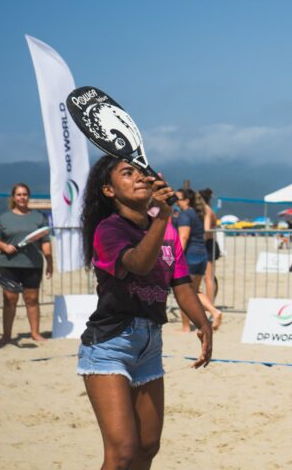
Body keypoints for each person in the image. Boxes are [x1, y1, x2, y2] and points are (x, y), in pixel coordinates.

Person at [76, 156, 212, 468]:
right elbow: (139, 263)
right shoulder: (108, 230)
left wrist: (203, 323)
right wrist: (163, 217)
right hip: (109, 344)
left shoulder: (165, 231)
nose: (139, 178)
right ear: (109, 191)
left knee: (147, 447)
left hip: (150, 345)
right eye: (128, 173)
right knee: (122, 453)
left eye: (141, 172)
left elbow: (181, 285)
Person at [0, 183, 52, 344]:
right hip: (9, 265)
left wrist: (49, 261)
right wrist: (4, 246)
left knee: (32, 299)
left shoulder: (38, 217)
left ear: (28, 196)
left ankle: (35, 334)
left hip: (33, 265)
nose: (22, 197)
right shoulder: (4, 218)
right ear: (13, 197)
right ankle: (6, 336)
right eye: (18, 194)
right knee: (10, 299)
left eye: (24, 194)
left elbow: (45, 241)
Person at [175, 188, 222, 331]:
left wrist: (176, 257)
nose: (175, 201)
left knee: (183, 293)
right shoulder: (198, 214)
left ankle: (185, 327)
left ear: (186, 200)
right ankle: (214, 311)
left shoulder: (185, 215)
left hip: (190, 257)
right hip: (201, 255)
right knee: (193, 291)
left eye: (178, 198)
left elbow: (183, 237)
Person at [199, 188, 221, 319]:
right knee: (210, 277)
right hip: (210, 244)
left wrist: (197, 238)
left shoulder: (206, 210)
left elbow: (206, 230)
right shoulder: (209, 209)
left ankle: (210, 307)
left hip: (208, 244)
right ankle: (210, 304)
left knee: (208, 277)